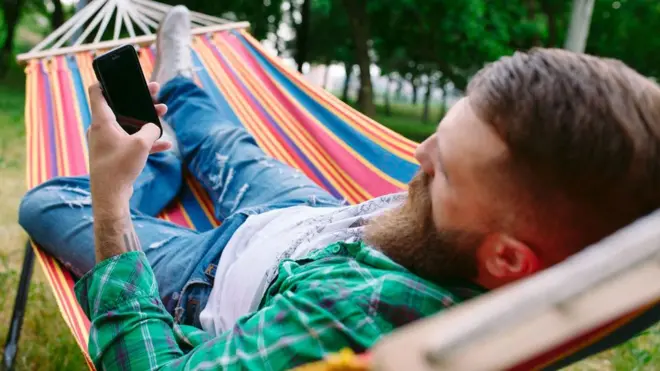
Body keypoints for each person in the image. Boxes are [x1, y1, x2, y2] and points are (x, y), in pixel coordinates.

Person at [18, 5, 660, 370]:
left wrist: (110, 203)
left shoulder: (358, 320)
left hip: (217, 272)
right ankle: (177, 95)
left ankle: (148, 161)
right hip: (320, 220)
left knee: (49, 202)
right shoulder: (471, 231)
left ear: (507, 258)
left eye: (442, 170)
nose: (419, 156)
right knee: (226, 142)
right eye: (438, 135)